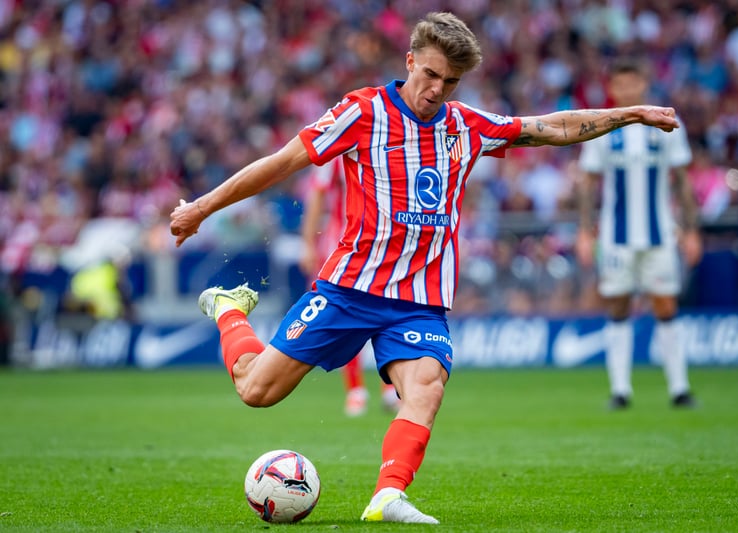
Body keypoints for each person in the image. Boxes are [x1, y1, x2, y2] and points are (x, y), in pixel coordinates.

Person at [170, 12, 681, 524]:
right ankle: (229, 310)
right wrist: (202, 207)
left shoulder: (467, 125)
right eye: (430, 75)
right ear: (410, 61)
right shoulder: (362, 111)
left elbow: (550, 128)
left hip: (419, 301)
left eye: (450, 81)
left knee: (426, 387)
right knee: (257, 391)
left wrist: (632, 113)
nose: (437, 89)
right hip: (350, 289)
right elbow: (282, 162)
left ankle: (388, 496)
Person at [575, 57, 702, 410]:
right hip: (616, 237)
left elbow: (682, 180)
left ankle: (679, 389)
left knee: (665, 304)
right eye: (620, 83)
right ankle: (620, 391)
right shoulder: (601, 125)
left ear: (644, 83)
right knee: (618, 305)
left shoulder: (666, 121)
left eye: (633, 81)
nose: (628, 88)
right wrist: (585, 231)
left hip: (660, 233)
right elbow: (588, 183)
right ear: (612, 88)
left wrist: (691, 230)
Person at [298, 157, 400, 417]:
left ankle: (389, 387)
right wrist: (308, 243)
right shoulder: (336, 152)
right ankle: (355, 389)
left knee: (385, 309)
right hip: (344, 245)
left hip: (381, 245)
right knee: (349, 312)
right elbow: (318, 194)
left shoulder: (389, 145)